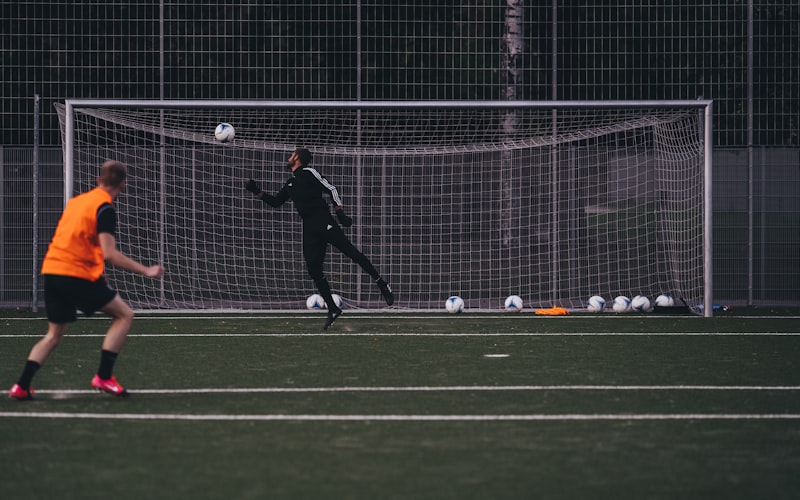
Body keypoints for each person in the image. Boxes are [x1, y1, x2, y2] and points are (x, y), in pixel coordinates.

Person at [8, 160, 165, 400]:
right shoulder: (105, 208)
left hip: (52, 271)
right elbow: (110, 253)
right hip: (74, 274)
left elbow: (75, 239)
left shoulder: (77, 202)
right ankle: (103, 376)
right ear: (123, 184)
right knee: (125, 315)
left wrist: (95, 269)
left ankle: (21, 386)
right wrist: (146, 270)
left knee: (54, 334)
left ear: (98, 180)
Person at [246, 147, 394, 330]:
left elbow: (331, 189)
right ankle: (333, 309)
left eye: (292, 155)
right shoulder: (290, 183)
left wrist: (340, 213)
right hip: (309, 228)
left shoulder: (308, 173)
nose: (289, 157)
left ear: (298, 158)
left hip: (324, 221)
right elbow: (276, 202)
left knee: (352, 253)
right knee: (314, 270)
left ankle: (382, 284)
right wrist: (257, 191)